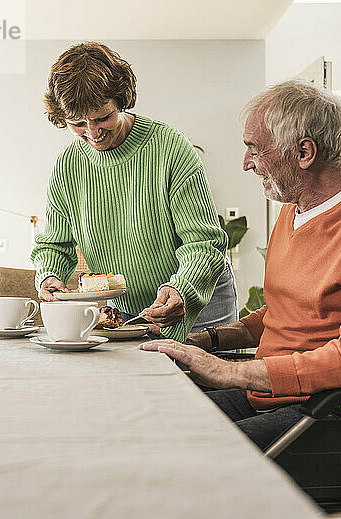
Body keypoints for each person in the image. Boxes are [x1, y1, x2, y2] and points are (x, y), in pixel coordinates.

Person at [141, 80, 341, 449]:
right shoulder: (294, 210)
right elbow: (285, 312)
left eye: (254, 150)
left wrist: (231, 371)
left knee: (188, 453)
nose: (246, 164)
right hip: (276, 396)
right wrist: (207, 341)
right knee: (150, 426)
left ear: (304, 152)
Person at [31, 42, 237, 342]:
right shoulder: (68, 165)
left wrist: (182, 288)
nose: (92, 132)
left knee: (199, 388)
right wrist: (50, 275)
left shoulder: (169, 146)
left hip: (199, 299)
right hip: (127, 310)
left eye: (103, 117)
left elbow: (204, 241)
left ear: (121, 100)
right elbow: (54, 244)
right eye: (77, 123)